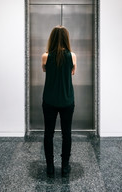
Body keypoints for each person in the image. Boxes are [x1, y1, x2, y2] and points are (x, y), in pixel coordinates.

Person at [41, 25, 76, 177]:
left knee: (48, 133)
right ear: (67, 39)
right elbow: (73, 72)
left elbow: (44, 70)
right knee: (66, 134)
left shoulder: (45, 56)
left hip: (49, 100)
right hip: (67, 100)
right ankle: (65, 166)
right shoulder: (72, 56)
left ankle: (50, 167)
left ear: (52, 38)